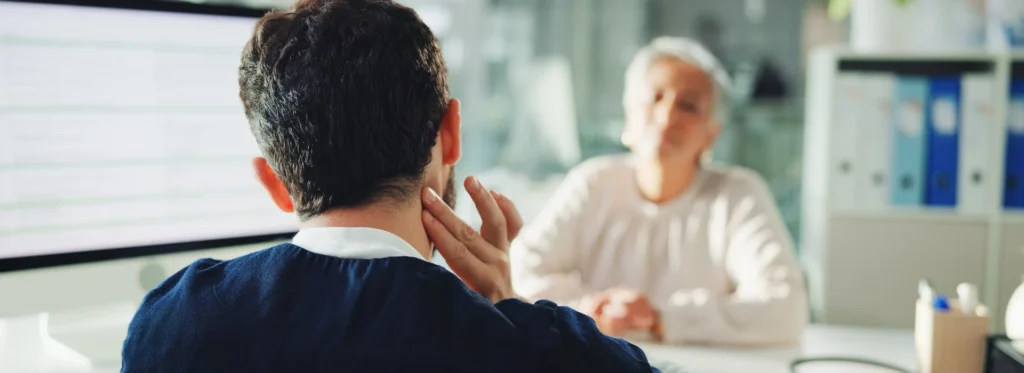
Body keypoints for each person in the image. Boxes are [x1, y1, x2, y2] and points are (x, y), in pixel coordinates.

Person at [119, 0, 660, 372]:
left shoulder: (170, 323)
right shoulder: (522, 348)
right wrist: (504, 303)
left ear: (276, 185)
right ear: (450, 136)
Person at [511, 37, 808, 346]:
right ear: (628, 116)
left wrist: (659, 318)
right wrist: (586, 309)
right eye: (655, 97)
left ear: (711, 134)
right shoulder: (593, 182)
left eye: (688, 106)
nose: (667, 117)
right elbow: (518, 272)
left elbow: (785, 307)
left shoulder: (738, 196)